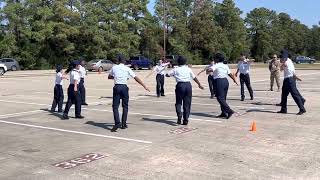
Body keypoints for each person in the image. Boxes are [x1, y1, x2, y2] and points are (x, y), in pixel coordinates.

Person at [108, 54, 150, 132]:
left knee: (115, 106)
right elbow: (135, 78)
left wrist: (116, 77)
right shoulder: (127, 68)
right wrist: (144, 86)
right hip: (124, 87)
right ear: (124, 61)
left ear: (118, 61)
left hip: (117, 87)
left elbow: (109, 77)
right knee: (125, 106)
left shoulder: (114, 67)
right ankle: (123, 124)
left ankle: (117, 122)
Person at [166, 56, 204, 125]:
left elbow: (167, 74)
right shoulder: (188, 69)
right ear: (185, 62)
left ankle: (179, 115)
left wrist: (174, 74)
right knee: (187, 103)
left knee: (178, 102)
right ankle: (186, 119)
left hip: (180, 86)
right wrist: (199, 84)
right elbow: (194, 77)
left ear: (178, 62)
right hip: (188, 85)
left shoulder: (175, 69)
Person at [207, 53, 238, 119]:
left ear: (217, 59)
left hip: (219, 81)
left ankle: (229, 111)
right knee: (223, 98)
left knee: (220, 98)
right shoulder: (225, 65)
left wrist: (208, 69)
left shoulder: (217, 65)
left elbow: (211, 70)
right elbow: (229, 73)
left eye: (215, 58)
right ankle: (223, 113)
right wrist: (234, 79)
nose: (214, 59)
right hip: (225, 81)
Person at [277, 50, 306, 115]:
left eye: (282, 56)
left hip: (289, 80)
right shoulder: (289, 60)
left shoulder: (286, 60)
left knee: (294, 95)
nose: (281, 58)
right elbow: (283, 69)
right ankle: (283, 109)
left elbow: (282, 65)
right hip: (289, 79)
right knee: (284, 95)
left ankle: (302, 109)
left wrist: (281, 64)